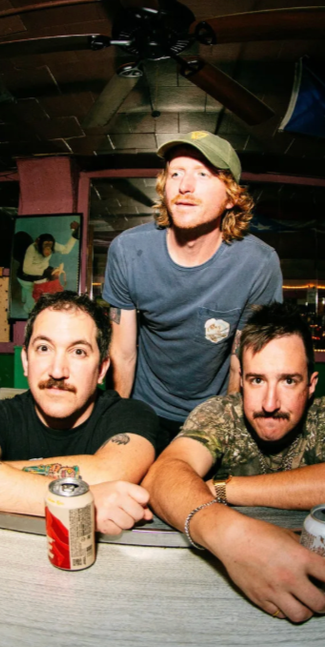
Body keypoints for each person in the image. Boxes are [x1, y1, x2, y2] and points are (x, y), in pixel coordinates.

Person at [142, 302, 325, 622]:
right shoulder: (220, 414)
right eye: (257, 380)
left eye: (288, 381)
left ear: (311, 385)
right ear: (241, 380)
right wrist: (232, 537)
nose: (270, 403)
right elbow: (162, 475)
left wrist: (228, 488)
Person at [0, 291, 161, 535]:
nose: (58, 371)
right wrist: (75, 501)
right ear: (26, 361)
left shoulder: (129, 414)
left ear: (102, 369)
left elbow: (111, 472)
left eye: (78, 351)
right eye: (44, 348)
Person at [103, 131, 282, 442]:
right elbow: (123, 352)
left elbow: (242, 361)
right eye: (176, 173)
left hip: (212, 413)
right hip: (144, 409)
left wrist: (226, 429)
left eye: (203, 173)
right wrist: (119, 422)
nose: (185, 186)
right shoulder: (128, 251)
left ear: (231, 197)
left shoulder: (258, 263)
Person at [18, 222, 79, 304]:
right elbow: (26, 269)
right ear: (38, 243)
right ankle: (26, 302)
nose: (48, 248)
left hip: (40, 272)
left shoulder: (52, 245)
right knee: (31, 298)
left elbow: (65, 250)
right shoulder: (32, 248)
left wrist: (75, 235)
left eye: (50, 245)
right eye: (45, 244)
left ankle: (24, 297)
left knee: (32, 292)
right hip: (26, 274)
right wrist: (46, 272)